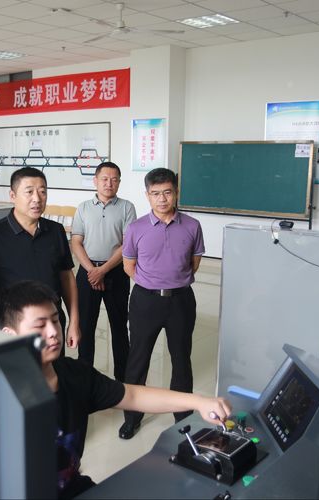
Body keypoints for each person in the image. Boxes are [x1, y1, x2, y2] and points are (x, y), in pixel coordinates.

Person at [0, 280, 230, 499]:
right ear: (9, 336)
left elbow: (132, 395)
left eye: (55, 320)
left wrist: (198, 401)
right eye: (40, 325)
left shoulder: (74, 374)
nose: (53, 332)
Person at [119, 167, 205, 440]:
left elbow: (194, 263)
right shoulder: (136, 228)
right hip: (145, 301)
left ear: (176, 193)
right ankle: (132, 418)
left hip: (181, 301)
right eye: (155, 193)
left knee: (181, 359)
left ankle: (183, 418)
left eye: (167, 192)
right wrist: (151, 283)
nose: (162, 199)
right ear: (147, 195)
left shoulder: (192, 226)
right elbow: (129, 266)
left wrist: (172, 280)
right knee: (138, 359)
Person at [0, 167, 80, 350]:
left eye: (42, 192)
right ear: (12, 195)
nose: (37, 199)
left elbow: (67, 277)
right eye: (29, 192)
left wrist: (74, 322)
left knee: (52, 368)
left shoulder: (56, 231)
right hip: (13, 327)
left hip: (51, 325)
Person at [70, 161, 136, 380]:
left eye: (114, 179)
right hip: (87, 273)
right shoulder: (83, 207)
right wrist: (92, 270)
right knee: (85, 327)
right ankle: (85, 378)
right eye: (105, 179)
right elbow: (76, 241)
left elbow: (127, 244)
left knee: (119, 326)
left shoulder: (127, 207)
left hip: (116, 272)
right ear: (95, 181)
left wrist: (103, 270)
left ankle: (122, 380)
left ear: (119, 182)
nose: (109, 183)